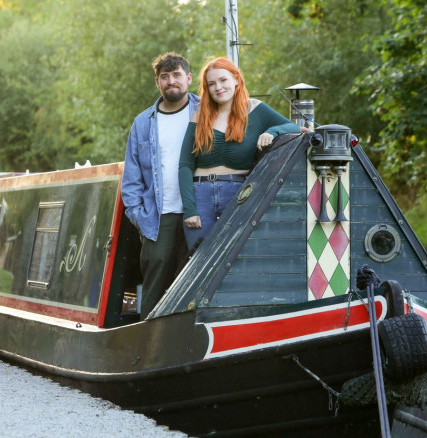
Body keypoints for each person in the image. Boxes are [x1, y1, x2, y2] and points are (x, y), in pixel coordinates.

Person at [178, 57, 304, 248]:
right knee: (197, 259)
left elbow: (294, 127)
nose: (218, 87)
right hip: (200, 195)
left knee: (234, 257)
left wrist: (272, 131)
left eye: (223, 80)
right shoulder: (200, 115)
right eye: (211, 84)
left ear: (236, 79)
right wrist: (189, 209)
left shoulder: (255, 109)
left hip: (238, 194)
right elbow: (185, 165)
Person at [121, 52, 200, 320]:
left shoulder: (207, 112)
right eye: (165, 77)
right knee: (155, 293)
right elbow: (131, 180)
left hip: (200, 212)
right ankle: (148, 347)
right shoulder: (142, 123)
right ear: (158, 82)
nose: (171, 81)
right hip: (158, 218)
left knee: (196, 285)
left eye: (177, 75)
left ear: (188, 78)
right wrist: (140, 218)